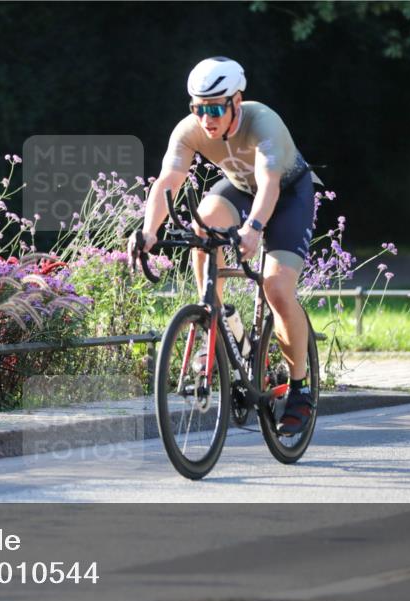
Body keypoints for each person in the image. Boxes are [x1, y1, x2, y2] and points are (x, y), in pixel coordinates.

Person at [128, 57, 317, 436]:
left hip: (287, 193)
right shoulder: (189, 130)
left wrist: (253, 229)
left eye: (215, 108)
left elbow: (269, 184)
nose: (206, 118)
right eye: (198, 108)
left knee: (277, 288)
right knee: (205, 225)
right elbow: (169, 180)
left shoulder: (262, 122)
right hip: (242, 191)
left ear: (237, 101)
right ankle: (210, 316)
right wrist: (149, 231)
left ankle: (300, 389)